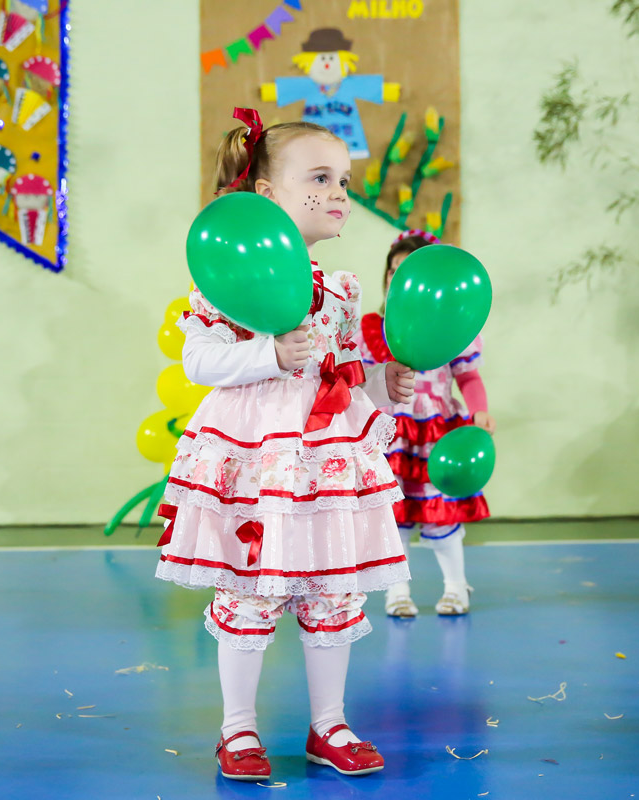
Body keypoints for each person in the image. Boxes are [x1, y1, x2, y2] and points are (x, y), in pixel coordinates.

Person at [155, 108, 417, 780]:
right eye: (320, 178)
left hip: (324, 458)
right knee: (250, 591)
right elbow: (199, 361)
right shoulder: (227, 276)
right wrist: (267, 354)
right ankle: (237, 729)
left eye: (345, 180)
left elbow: (346, 374)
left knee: (333, 591)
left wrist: (387, 385)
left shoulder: (341, 290)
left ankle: (329, 723)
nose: (339, 192)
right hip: (257, 457)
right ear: (267, 194)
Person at [354, 231, 492, 617]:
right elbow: (359, 381)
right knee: (393, 515)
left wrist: (480, 410)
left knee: (440, 513)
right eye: (393, 271)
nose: (398, 279)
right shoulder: (371, 329)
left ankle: (456, 586)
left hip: (434, 433)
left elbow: (468, 377)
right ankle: (396, 590)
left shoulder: (448, 326)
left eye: (408, 271)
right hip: (388, 435)